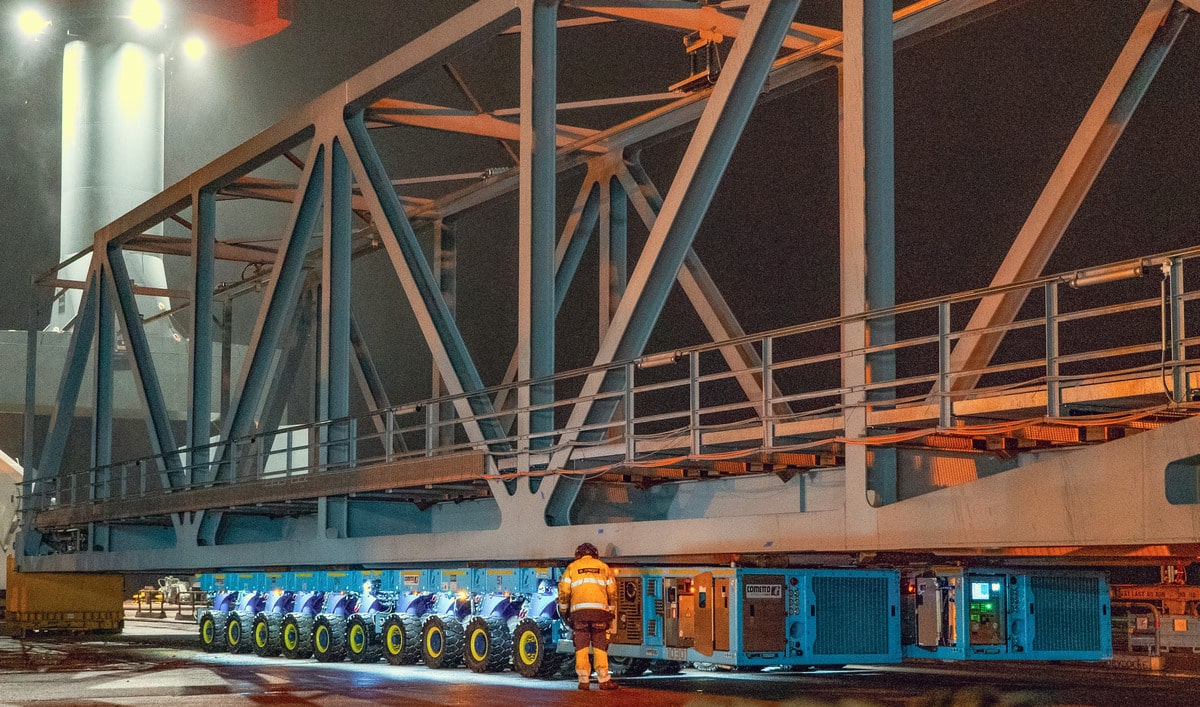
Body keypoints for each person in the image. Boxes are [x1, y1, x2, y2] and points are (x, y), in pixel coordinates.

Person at [558, 542, 618, 690]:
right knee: (600, 647)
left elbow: (564, 592)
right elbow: (612, 592)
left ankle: (584, 681)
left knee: (581, 647)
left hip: (579, 614)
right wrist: (610, 611)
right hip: (600, 614)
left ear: (578, 554)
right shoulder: (603, 567)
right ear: (594, 554)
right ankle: (604, 680)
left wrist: (565, 610)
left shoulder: (572, 567)